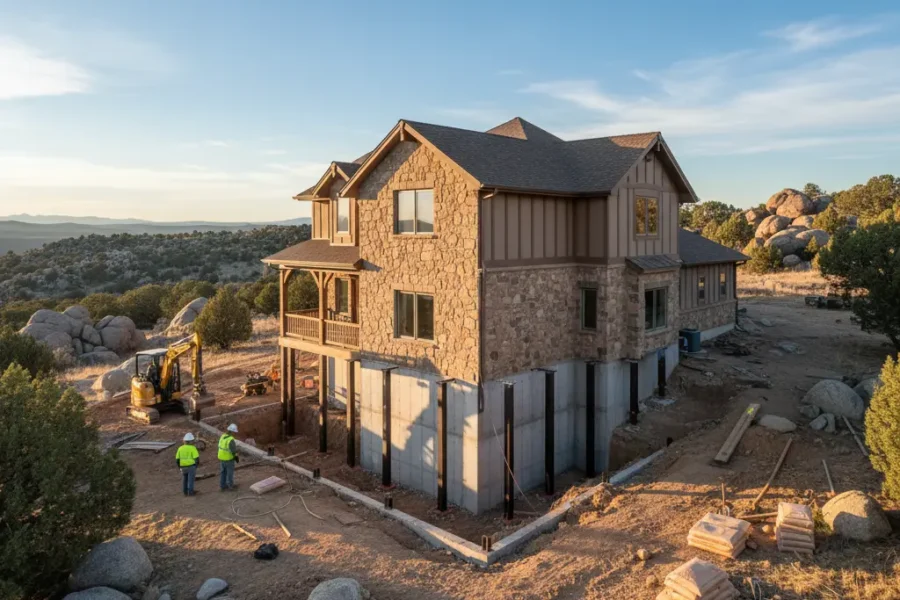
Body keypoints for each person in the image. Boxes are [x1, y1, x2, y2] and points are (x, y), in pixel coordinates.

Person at [218, 423, 240, 491]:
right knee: (229, 473)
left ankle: (222, 486)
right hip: (228, 459)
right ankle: (230, 486)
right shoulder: (230, 439)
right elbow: (233, 450)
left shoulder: (222, 436)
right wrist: (236, 457)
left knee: (223, 472)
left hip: (221, 458)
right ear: (232, 431)